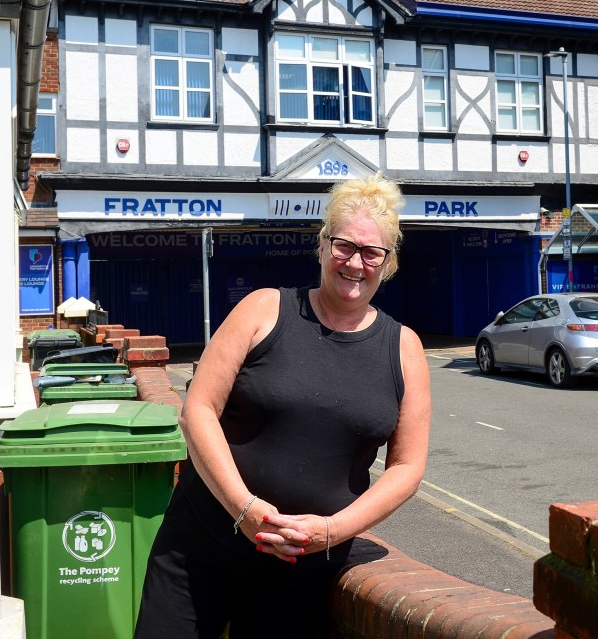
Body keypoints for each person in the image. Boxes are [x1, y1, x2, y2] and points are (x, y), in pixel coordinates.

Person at [135, 174, 431, 638]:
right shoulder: (264, 309)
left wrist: (332, 531)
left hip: (301, 572)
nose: (355, 262)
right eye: (344, 245)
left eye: (372, 252)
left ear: (388, 263)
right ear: (321, 246)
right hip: (200, 551)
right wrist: (244, 510)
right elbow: (199, 409)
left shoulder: (404, 348)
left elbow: (408, 466)